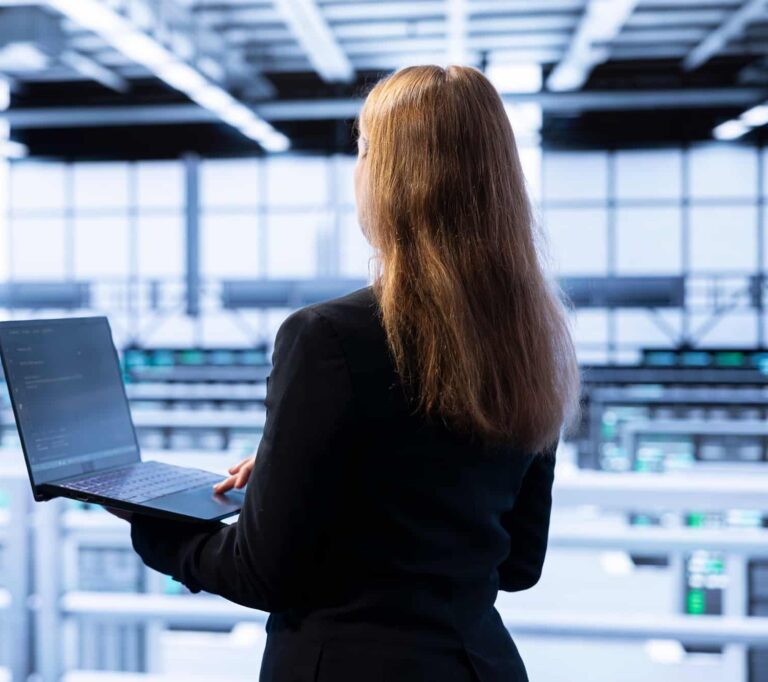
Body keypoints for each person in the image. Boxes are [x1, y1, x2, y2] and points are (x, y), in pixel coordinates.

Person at [116, 65, 580, 681]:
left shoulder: (325, 337)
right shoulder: (531, 338)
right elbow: (517, 561)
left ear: (393, 180)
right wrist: (308, 480)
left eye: (364, 148)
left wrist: (154, 524)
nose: (355, 169)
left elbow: (261, 572)